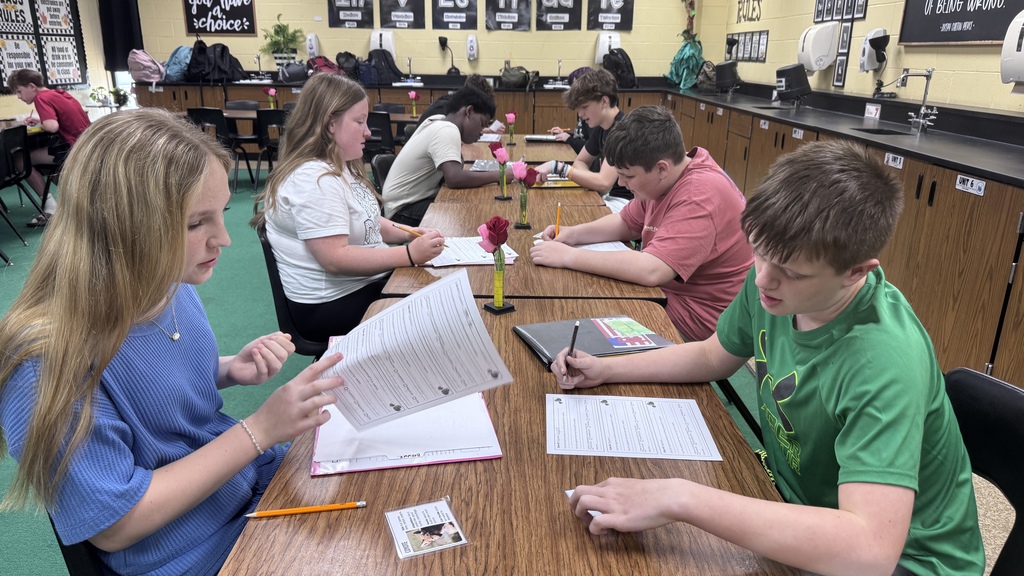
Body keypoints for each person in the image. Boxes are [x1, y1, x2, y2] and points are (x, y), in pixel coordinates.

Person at [554, 140, 984, 576]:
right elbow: (711, 356)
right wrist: (606, 368)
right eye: (758, 250)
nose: (762, 278)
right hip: (804, 510)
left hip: (906, 562)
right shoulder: (773, 281)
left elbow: (869, 552)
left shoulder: (884, 361)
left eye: (791, 272)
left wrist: (680, 497)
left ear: (856, 272)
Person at [0, 108, 345, 575]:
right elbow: (115, 525)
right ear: (122, 226)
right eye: (195, 224)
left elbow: (147, 387)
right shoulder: (42, 362)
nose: (223, 239)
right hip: (193, 550)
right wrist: (259, 430)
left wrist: (228, 368)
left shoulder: (165, 281)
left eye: (221, 213)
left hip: (246, 486)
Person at [531, 106, 752, 341]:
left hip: (698, 321)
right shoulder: (666, 179)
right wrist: (573, 234)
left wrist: (568, 256)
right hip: (668, 297)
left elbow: (651, 270)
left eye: (628, 176)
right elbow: (627, 223)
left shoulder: (698, 196)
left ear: (662, 168)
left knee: (580, 328)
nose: (621, 183)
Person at [251, 73, 445, 342]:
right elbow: (335, 258)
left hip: (356, 287)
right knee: (439, 310)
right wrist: (409, 254)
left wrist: (409, 233)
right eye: (359, 121)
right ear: (330, 123)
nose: (368, 131)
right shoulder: (313, 179)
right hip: (330, 304)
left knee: (441, 292)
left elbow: (367, 219)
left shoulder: (338, 165)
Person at [383, 85, 508, 226]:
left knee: (464, 205)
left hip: (404, 203)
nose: (481, 132)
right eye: (482, 124)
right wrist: (500, 175)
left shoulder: (439, 120)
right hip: (401, 210)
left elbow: (455, 171)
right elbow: (454, 179)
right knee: (465, 212)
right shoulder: (447, 130)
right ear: (469, 111)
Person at [6, 68, 91, 227]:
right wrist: (41, 122)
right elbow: (60, 121)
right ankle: (77, 201)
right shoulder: (59, 93)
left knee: (20, 159)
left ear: (32, 86)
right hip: (87, 144)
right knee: (44, 159)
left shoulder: (41, 98)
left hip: (73, 148)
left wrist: (44, 124)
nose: (18, 97)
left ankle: (51, 209)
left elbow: (52, 127)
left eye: (19, 91)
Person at [534, 69, 630, 200]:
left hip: (624, 202)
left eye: (584, 107)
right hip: (610, 199)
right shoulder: (601, 128)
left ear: (604, 101)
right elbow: (580, 162)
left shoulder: (622, 131)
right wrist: (591, 180)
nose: (580, 114)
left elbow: (603, 183)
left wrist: (558, 168)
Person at [416, 73, 505, 135]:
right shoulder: (446, 113)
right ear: (469, 110)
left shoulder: (452, 106)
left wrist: (487, 130)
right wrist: (486, 130)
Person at [549, 67, 592, 155]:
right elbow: (581, 138)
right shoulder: (584, 112)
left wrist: (569, 139)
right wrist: (565, 134)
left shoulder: (593, 118)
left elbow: (591, 147)